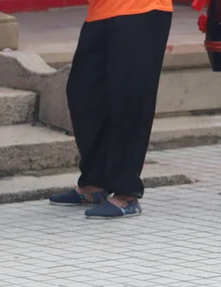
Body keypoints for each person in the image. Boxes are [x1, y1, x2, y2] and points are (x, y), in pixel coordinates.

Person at [49, 0, 173, 218]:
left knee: (130, 98)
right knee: (84, 93)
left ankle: (127, 194)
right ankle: (95, 184)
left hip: (141, 10)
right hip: (101, 11)